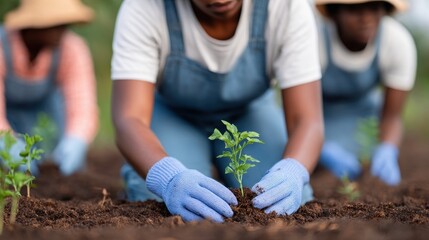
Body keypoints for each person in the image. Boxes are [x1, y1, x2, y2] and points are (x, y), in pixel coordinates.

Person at [111, 0, 323, 223]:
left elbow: (307, 120)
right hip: (175, 115)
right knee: (161, 205)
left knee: (282, 202)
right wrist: (168, 176)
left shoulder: (285, 7)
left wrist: (293, 170)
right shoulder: (146, 8)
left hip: (250, 111)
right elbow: (129, 118)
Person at [314, 0, 416, 185]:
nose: (366, 18)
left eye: (374, 8)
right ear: (335, 12)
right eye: (354, 10)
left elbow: (391, 116)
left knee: (364, 164)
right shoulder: (314, 40)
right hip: (317, 117)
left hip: (365, 117)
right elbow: (298, 113)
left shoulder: (396, 42)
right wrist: (321, 148)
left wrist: (387, 148)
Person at [0, 0, 99, 176]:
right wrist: (6, 140)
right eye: (55, 24)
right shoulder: (3, 46)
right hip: (5, 114)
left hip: (43, 113)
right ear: (32, 25)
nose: (62, 31)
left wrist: (76, 139)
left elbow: (82, 101)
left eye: (65, 25)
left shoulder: (71, 48)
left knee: (50, 164)